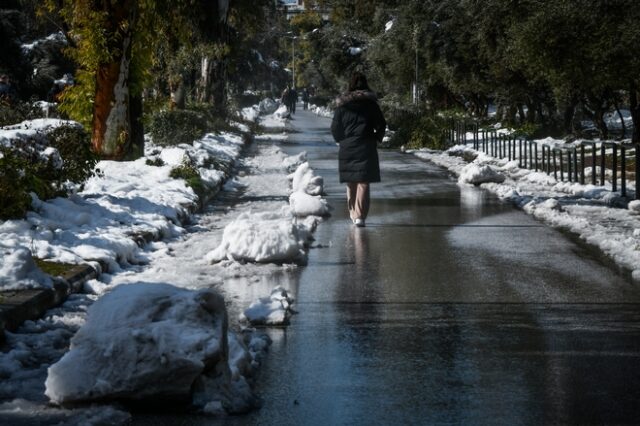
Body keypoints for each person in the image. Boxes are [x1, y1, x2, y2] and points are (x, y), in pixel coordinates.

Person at [331, 71, 386, 227]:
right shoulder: (372, 105)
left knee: (351, 180)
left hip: (347, 146)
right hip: (366, 144)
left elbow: (335, 127)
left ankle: (352, 212)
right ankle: (360, 215)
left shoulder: (342, 106)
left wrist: (341, 140)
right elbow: (381, 124)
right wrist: (376, 137)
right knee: (363, 181)